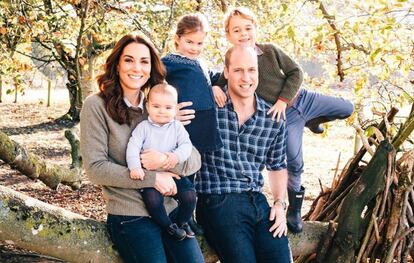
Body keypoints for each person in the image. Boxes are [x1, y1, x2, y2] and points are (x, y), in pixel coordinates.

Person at [212, 7, 354, 233]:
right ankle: (294, 210)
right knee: (294, 161)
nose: (243, 33)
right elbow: (222, 81)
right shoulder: (235, 62)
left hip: (302, 99)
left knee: (347, 107)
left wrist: (283, 99)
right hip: (285, 117)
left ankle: (314, 120)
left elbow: (295, 72)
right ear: (228, 35)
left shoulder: (270, 51)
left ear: (255, 29)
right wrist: (214, 88)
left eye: (248, 28)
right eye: (236, 30)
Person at [80, 34, 204, 263]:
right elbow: (95, 168)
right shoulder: (96, 106)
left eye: (144, 61)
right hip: (130, 214)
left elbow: (194, 159)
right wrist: (152, 178)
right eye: (129, 60)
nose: (136, 67)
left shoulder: (158, 105)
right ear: (117, 65)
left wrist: (165, 159)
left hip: (170, 210)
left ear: (151, 67)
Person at [195, 46, 293, 263]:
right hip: (218, 199)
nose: (246, 77)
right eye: (238, 70)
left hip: (258, 201)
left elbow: (277, 166)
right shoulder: (208, 110)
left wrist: (279, 203)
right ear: (227, 72)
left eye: (251, 70)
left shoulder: (273, 119)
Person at [126, 83, 196, 240]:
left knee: (190, 196)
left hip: (171, 172)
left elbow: (186, 146)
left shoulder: (177, 127)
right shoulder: (143, 127)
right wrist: (135, 167)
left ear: (175, 109)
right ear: (148, 106)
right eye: (156, 106)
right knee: (153, 201)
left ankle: (182, 222)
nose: (162, 111)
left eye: (168, 108)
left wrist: (174, 157)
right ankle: (168, 227)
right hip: (151, 176)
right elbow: (133, 146)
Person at [161, 13, 223, 156]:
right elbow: (152, 83)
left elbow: (215, 77)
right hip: (188, 123)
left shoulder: (201, 62)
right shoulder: (170, 61)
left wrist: (215, 86)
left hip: (206, 124)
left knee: (199, 168)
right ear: (177, 38)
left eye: (199, 43)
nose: (195, 48)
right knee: (183, 166)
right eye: (189, 42)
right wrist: (169, 109)